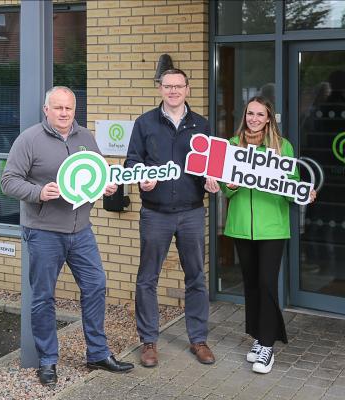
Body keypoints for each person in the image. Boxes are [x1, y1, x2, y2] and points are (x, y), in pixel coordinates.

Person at [1, 86, 134, 386]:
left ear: (75, 110)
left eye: (69, 108)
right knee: (44, 297)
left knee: (96, 285)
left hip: (81, 231)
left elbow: (96, 176)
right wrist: (38, 192)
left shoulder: (86, 137)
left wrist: (106, 187)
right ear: (46, 109)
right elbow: (8, 181)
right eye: (57, 108)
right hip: (44, 232)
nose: (63, 113)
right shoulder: (30, 139)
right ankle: (48, 361)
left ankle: (97, 353)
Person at [125, 69, 220, 368]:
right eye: (168, 86)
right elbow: (132, 160)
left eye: (179, 86)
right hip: (155, 213)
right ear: (160, 89)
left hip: (192, 211)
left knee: (196, 278)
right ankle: (149, 342)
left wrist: (211, 180)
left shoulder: (201, 125)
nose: (173, 91)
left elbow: (212, 166)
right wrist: (142, 178)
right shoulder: (145, 123)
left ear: (187, 90)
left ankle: (198, 340)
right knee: (147, 279)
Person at [220, 96, 316, 374]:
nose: (254, 119)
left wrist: (303, 192)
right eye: (250, 113)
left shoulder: (281, 146)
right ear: (245, 115)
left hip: (273, 227)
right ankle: (258, 338)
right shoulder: (231, 145)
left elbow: (294, 184)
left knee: (266, 283)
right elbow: (226, 190)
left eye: (260, 114)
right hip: (240, 226)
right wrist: (231, 185)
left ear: (268, 118)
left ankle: (267, 346)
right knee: (250, 284)